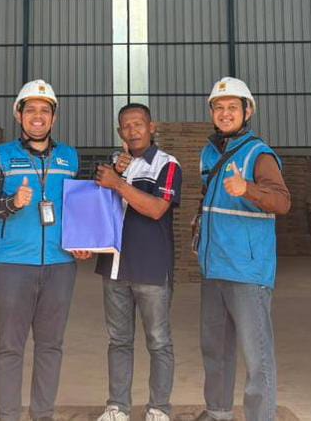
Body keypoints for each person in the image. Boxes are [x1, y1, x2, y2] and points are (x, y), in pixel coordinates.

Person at [0, 79, 91, 421]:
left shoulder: (69, 157)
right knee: (10, 346)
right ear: (19, 115)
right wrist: (12, 203)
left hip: (60, 265)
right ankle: (9, 415)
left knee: (51, 345)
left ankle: (43, 414)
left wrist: (82, 242)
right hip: (13, 264)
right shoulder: (0, 156)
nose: (38, 116)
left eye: (45, 110)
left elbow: (79, 207)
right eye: (31, 110)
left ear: (54, 117)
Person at [195, 77, 291, 421]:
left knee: (257, 355)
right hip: (214, 266)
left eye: (232, 107)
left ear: (247, 111)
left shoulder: (259, 154)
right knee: (215, 349)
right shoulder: (210, 152)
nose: (225, 113)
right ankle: (218, 412)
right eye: (219, 107)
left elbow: (282, 202)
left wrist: (246, 188)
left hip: (247, 271)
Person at [93, 103, 182, 421]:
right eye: (126, 126)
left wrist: (118, 184)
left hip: (151, 268)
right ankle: (117, 406)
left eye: (139, 124)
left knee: (159, 341)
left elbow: (157, 209)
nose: (133, 131)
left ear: (151, 127)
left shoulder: (167, 164)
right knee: (118, 340)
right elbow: (93, 207)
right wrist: (114, 174)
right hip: (115, 267)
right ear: (120, 132)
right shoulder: (114, 166)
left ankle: (159, 408)